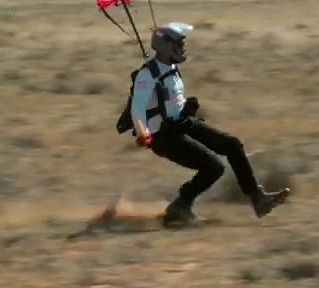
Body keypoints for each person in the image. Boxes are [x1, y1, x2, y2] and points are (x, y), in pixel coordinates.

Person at [124, 22, 290, 226]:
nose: (183, 48)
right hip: (164, 137)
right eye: (179, 44)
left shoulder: (171, 68)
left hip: (182, 125)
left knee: (233, 145)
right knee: (214, 167)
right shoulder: (146, 75)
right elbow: (137, 109)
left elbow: (171, 101)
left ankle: (258, 198)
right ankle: (180, 206)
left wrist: (187, 107)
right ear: (166, 46)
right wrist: (143, 132)